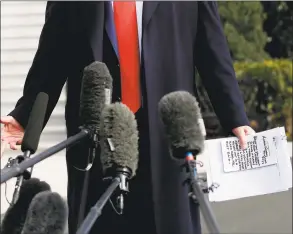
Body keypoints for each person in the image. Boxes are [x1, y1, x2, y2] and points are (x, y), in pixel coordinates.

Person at [1, 2, 255, 234]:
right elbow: (51, 58)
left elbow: (212, 49)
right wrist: (24, 119)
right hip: (96, 141)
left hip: (166, 139)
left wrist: (235, 117)